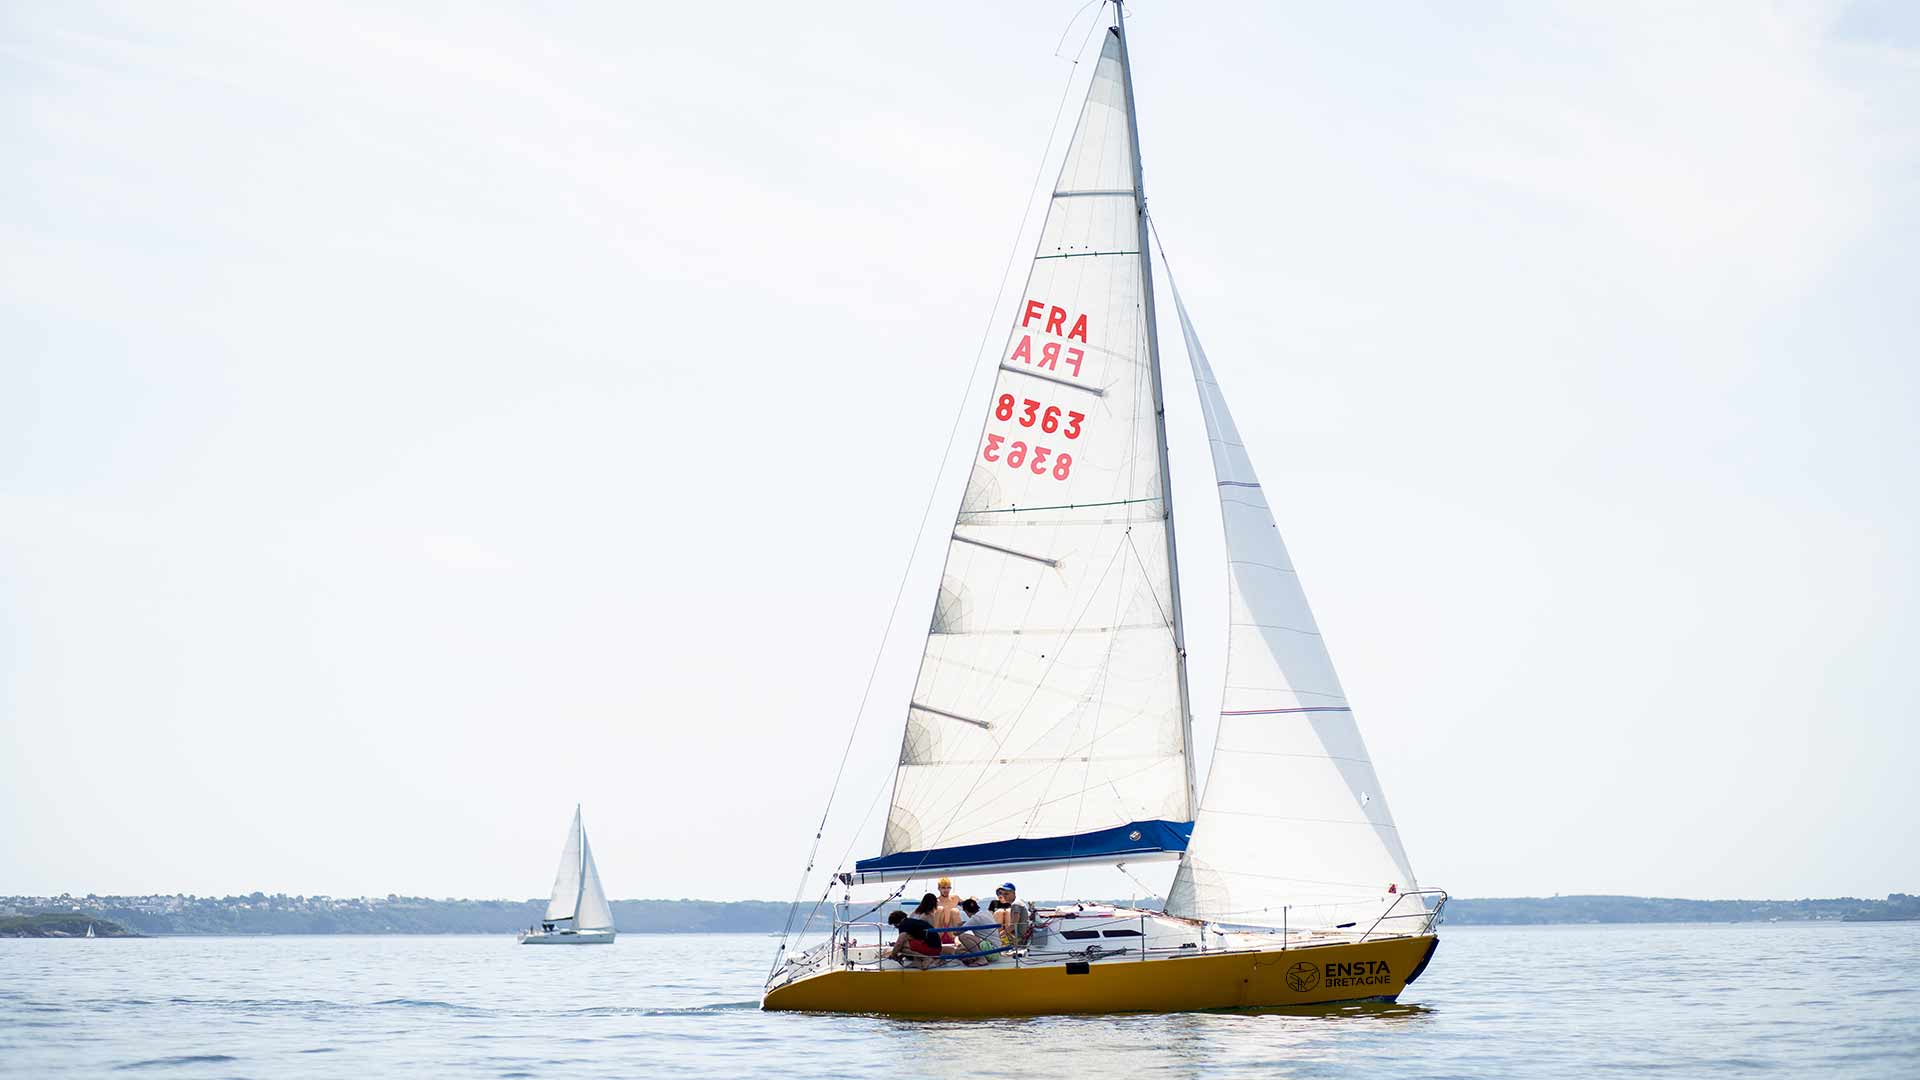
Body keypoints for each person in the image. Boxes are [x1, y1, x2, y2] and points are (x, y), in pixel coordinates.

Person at [953, 897, 993, 965]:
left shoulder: (975, 918)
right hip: (995, 950)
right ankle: (974, 958)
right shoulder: (986, 913)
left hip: (991, 951)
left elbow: (956, 933)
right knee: (958, 951)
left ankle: (982, 959)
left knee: (963, 937)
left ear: (966, 911)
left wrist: (958, 925)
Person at [995, 882, 1032, 947]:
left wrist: (999, 935)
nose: (1004, 896)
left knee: (993, 941)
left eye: (1007, 894)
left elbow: (1013, 925)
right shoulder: (1018, 902)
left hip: (1018, 938)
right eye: (1002, 894)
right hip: (1020, 935)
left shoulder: (1016, 905)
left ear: (1013, 893)